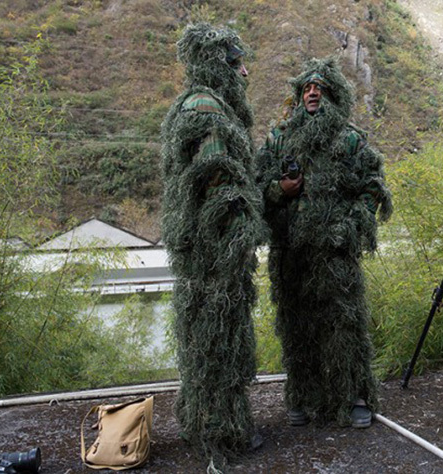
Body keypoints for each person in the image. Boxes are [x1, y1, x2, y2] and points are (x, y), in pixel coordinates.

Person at [257, 57, 393, 428]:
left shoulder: (349, 139)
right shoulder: (279, 137)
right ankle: (304, 395)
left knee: (342, 325)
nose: (312, 92)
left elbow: (372, 187)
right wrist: (278, 189)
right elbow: (257, 187)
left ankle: (353, 397)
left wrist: (350, 226)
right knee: (297, 326)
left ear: (333, 96)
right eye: (306, 88)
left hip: (335, 254)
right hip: (292, 253)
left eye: (320, 88)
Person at [159, 22, 262, 467]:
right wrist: (240, 233)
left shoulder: (198, 104)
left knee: (204, 341)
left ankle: (204, 426)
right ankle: (222, 435)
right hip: (215, 253)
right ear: (219, 64)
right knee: (220, 342)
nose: (244, 74)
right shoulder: (207, 107)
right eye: (237, 64)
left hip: (202, 252)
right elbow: (216, 177)